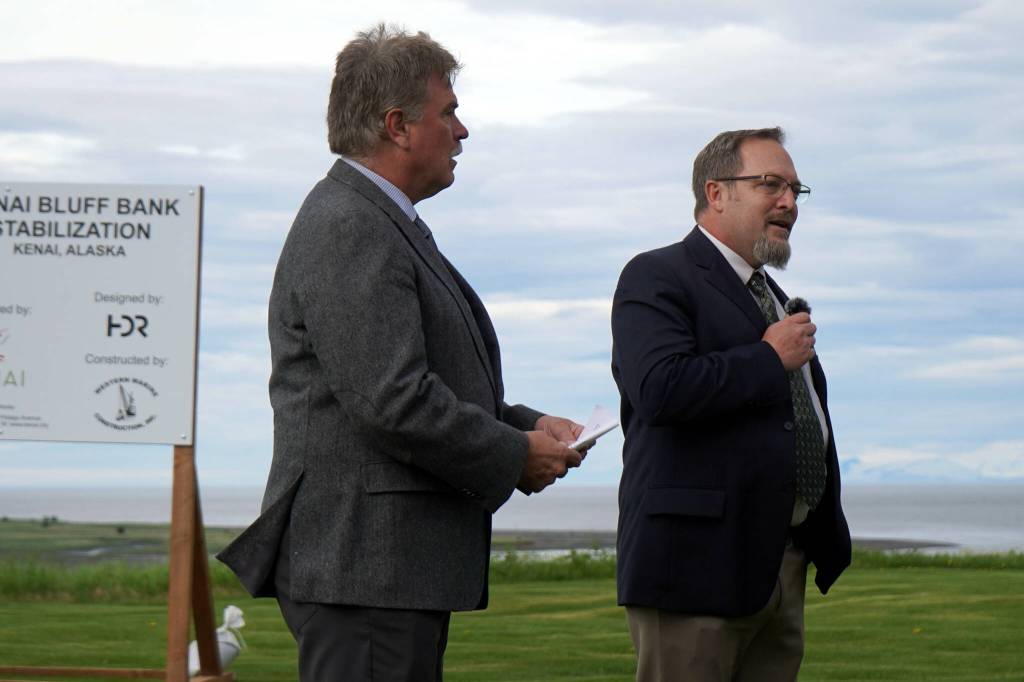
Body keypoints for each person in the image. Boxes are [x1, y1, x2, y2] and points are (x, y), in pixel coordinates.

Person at [217, 24, 585, 681]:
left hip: (382, 573)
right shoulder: (351, 225)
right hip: (366, 571)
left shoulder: (378, 221)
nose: (463, 131)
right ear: (396, 125)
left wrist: (524, 426)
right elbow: (393, 400)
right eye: (449, 112)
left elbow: (411, 381)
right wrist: (512, 455)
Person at [610, 127, 851, 681]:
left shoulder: (769, 294)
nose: (789, 202)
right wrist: (768, 359)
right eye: (771, 184)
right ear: (716, 193)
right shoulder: (657, 275)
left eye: (796, 189)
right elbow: (660, 389)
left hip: (780, 565)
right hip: (695, 571)